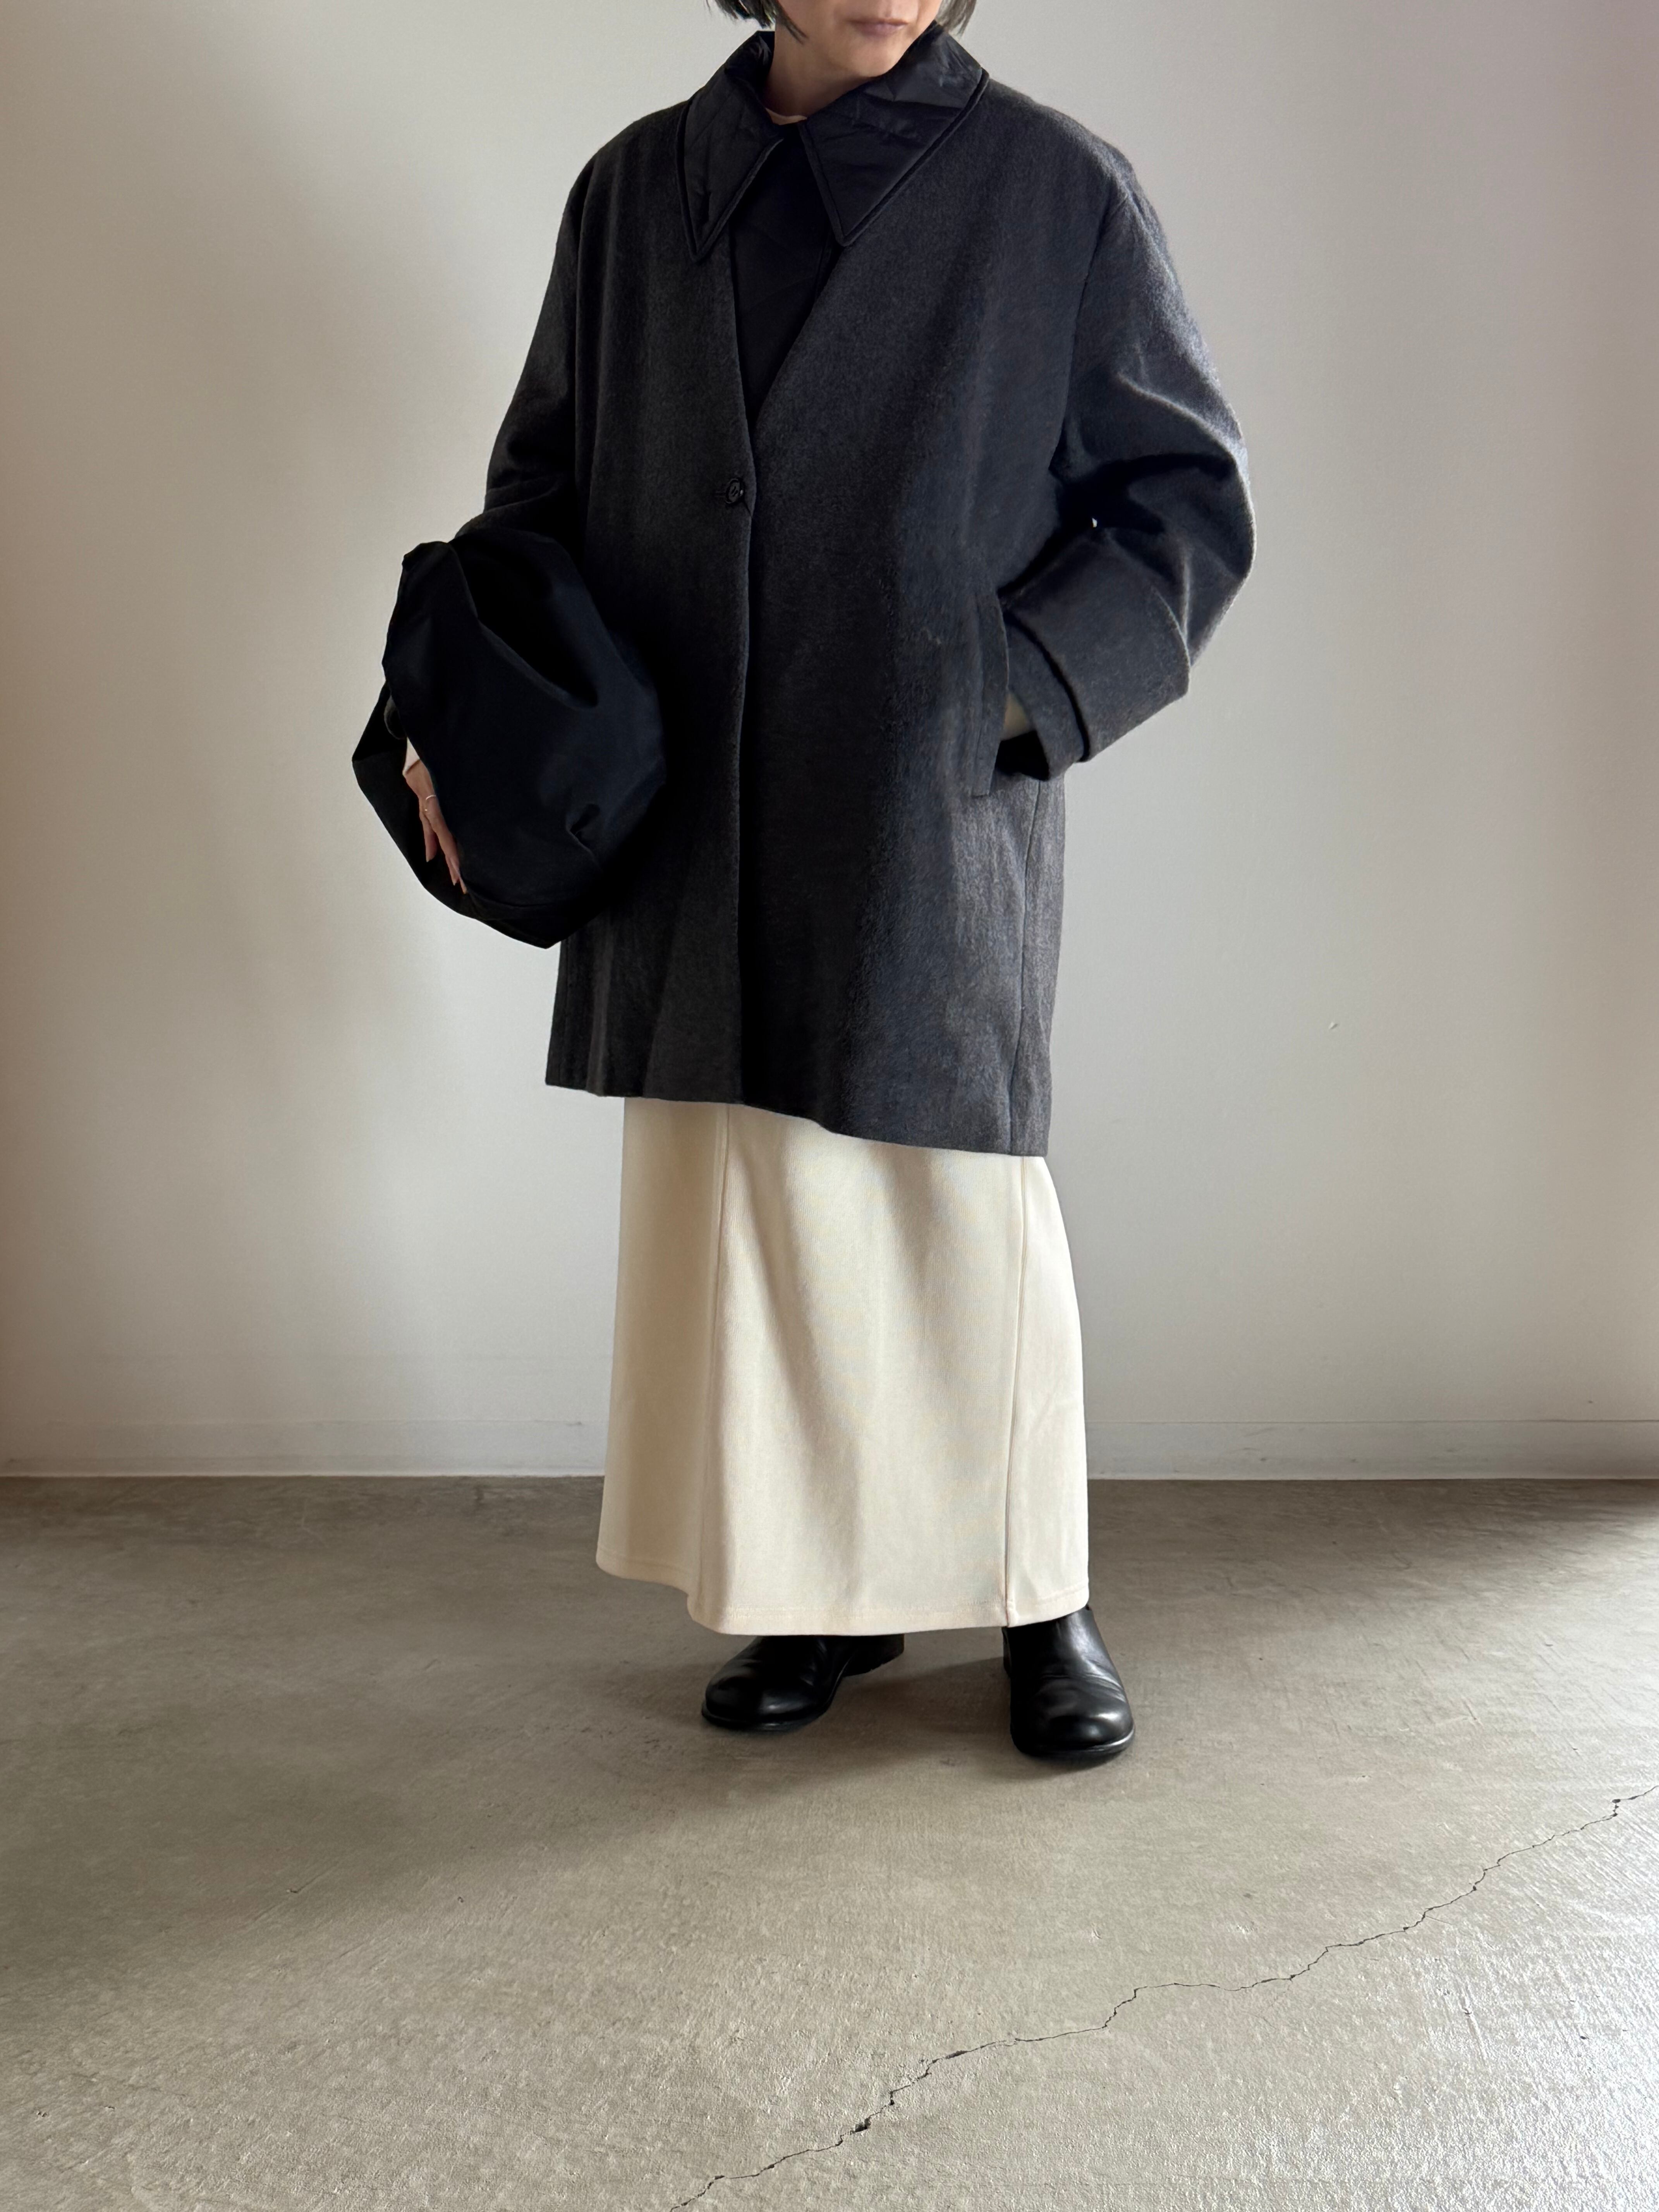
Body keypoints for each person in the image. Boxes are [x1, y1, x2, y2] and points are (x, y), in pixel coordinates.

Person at [404, 0, 1254, 1759]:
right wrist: (477, 723)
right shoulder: (635, 194)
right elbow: (536, 493)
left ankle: (1037, 1597)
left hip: (921, 797)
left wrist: (1007, 693)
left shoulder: (1051, 188)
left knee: (954, 1215)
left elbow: (1184, 501)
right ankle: (815, 1592)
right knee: (746, 1204)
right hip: (686, 799)